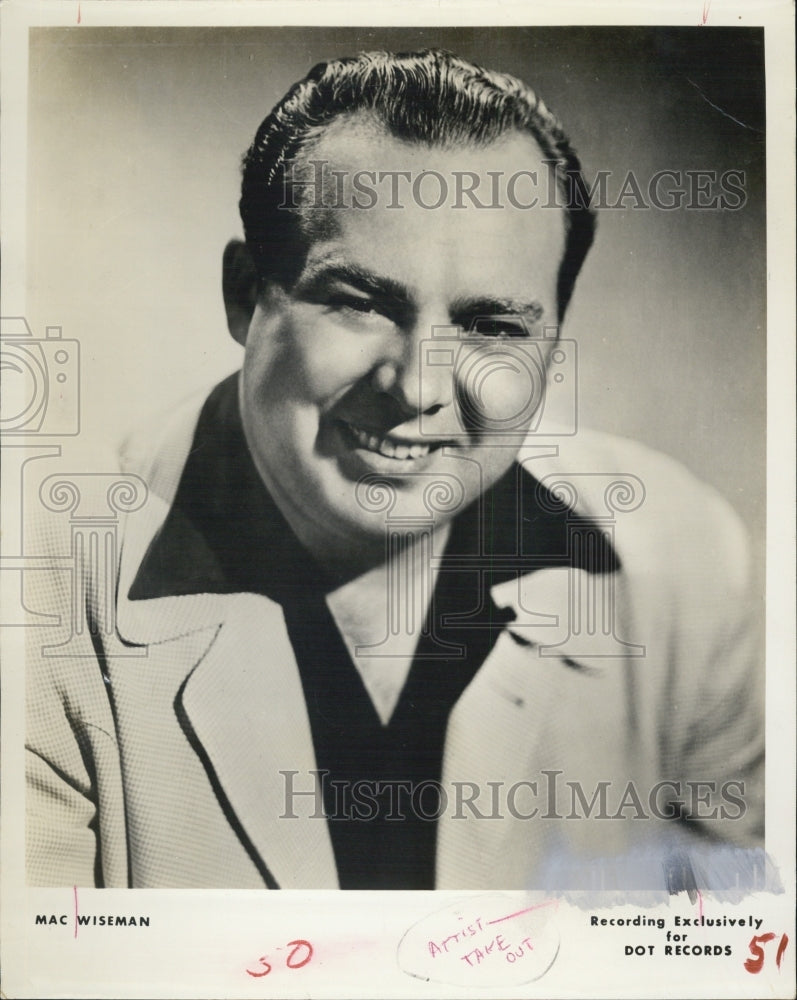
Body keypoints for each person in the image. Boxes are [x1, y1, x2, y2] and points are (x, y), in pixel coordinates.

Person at [26, 49, 763, 891]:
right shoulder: (42, 593)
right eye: (361, 302)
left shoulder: (687, 566)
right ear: (243, 295)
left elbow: (730, 947)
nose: (418, 386)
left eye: (492, 325)